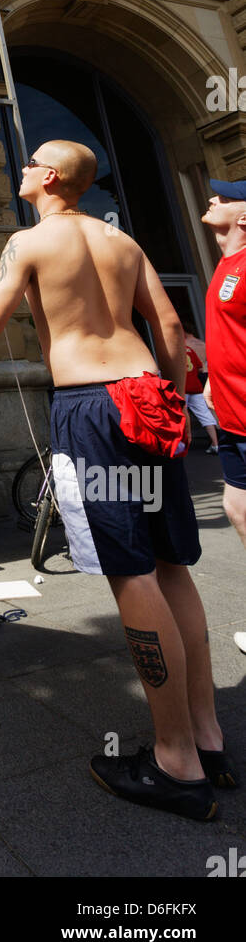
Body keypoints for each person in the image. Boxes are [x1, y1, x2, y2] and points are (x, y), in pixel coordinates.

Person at [0, 139, 237, 819]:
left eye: (31, 162)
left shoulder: (28, 242)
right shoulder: (122, 242)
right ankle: (207, 738)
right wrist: (178, 399)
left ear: (52, 177)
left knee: (132, 572)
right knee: (170, 562)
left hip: (93, 409)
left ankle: (175, 763)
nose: (23, 169)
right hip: (149, 393)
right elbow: (171, 324)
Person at [201, 179, 246, 656]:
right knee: (236, 509)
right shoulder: (226, 264)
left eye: (226, 197)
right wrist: (214, 377)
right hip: (232, 415)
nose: (213, 198)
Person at [180, 317, 218, 453]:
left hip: (190, 379)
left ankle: (185, 443)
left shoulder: (183, 346)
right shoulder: (202, 343)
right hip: (204, 376)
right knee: (208, 410)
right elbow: (206, 364)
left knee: (184, 412)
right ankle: (216, 441)